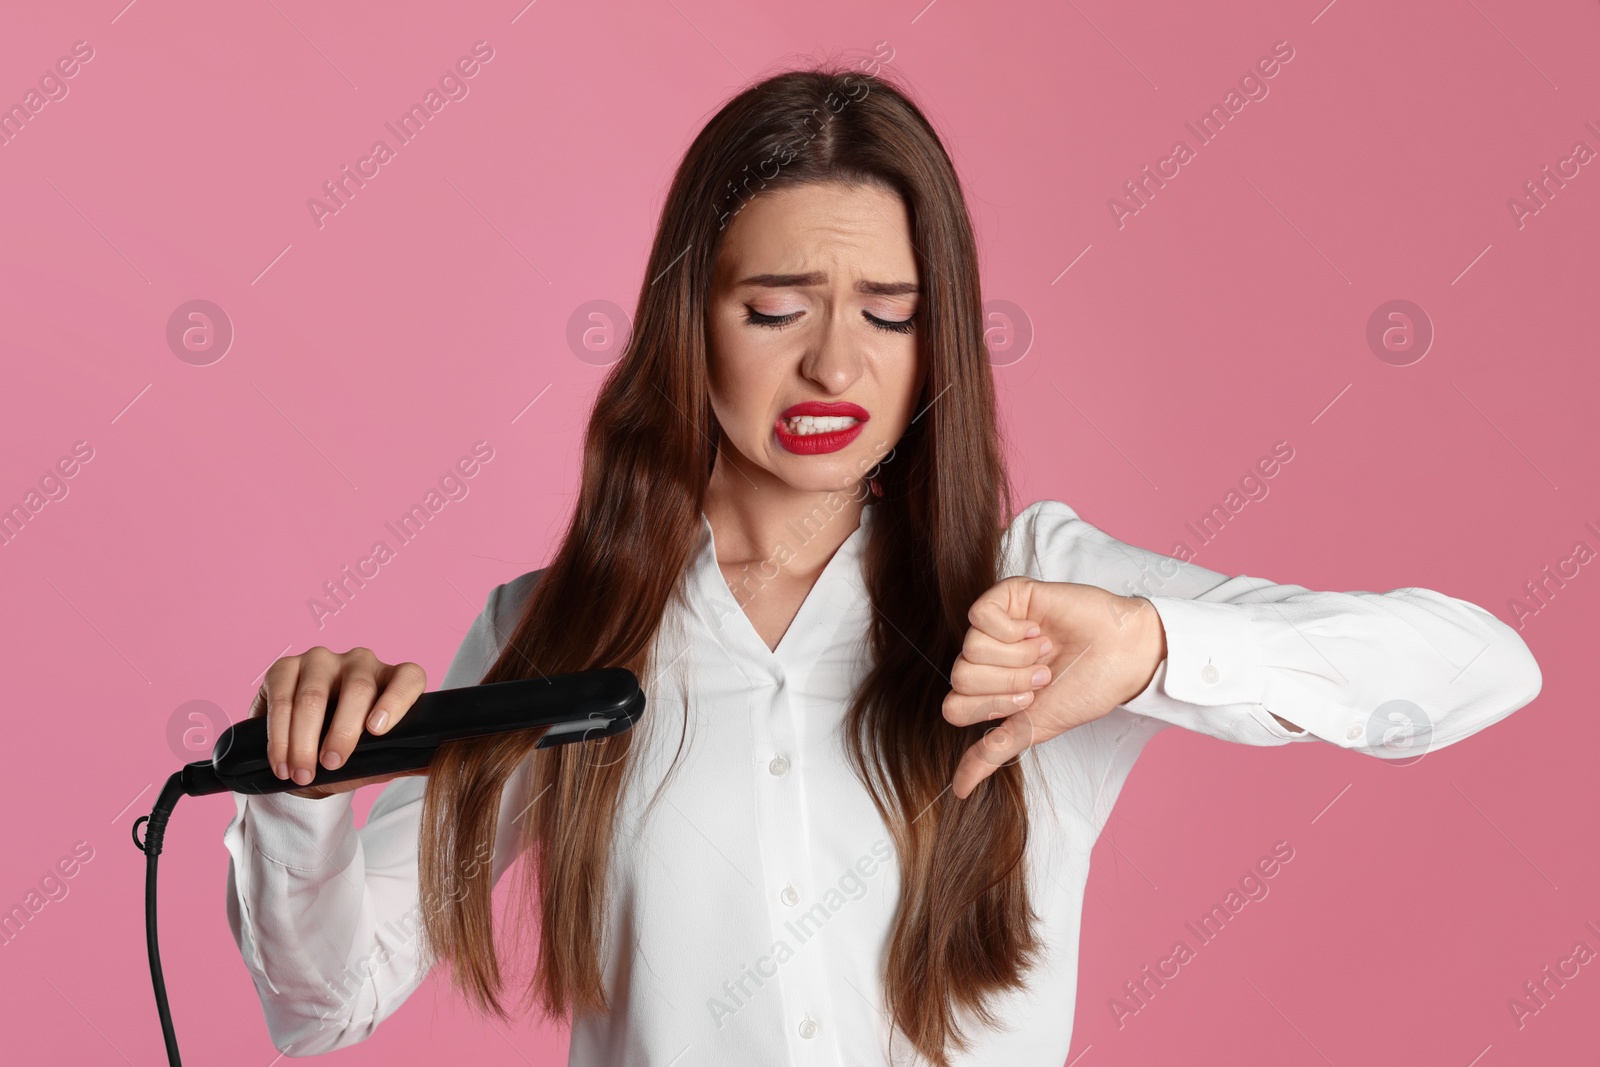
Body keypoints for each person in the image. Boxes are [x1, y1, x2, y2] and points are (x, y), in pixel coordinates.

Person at [222, 64, 1542, 1066]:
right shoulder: (553, 631)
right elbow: (324, 999)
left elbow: (1481, 667)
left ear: (939, 342)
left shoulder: (1035, 588)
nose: (835, 367)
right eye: (776, 310)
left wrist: (1152, 649)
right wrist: (297, 778)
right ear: (691, 322)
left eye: (891, 315)